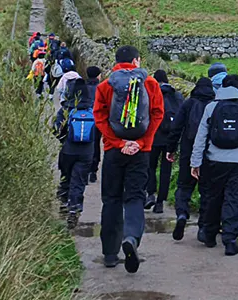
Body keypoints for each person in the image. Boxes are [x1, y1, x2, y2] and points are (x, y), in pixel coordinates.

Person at [93, 45, 165, 273]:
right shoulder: (150, 83)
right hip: (141, 152)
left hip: (114, 151)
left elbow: (99, 116)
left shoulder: (106, 85)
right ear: (136, 61)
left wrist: (118, 143)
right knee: (134, 197)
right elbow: (157, 114)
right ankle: (131, 237)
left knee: (111, 199)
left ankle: (110, 254)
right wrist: (141, 143)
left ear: (117, 62)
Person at [190, 74, 238, 256]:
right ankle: (229, 239)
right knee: (233, 198)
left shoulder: (212, 107)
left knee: (213, 196)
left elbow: (201, 137)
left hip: (214, 160)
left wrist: (195, 163)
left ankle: (209, 234)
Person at [170, 75, 215, 241]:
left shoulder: (188, 103)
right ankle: (203, 226)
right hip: (209, 154)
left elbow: (176, 127)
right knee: (206, 191)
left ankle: (182, 213)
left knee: (183, 186)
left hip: (188, 152)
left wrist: (170, 149)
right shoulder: (214, 105)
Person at [52, 64, 96, 228]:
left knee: (66, 176)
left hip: (68, 150)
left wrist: (64, 139)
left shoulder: (66, 109)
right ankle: (74, 208)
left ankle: (64, 203)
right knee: (79, 181)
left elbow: (56, 129)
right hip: (86, 152)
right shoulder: (91, 109)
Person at [145, 70, 182, 214]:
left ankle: (150, 193)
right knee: (166, 170)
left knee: (150, 166)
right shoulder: (177, 96)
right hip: (170, 139)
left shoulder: (152, 94)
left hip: (154, 136)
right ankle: (160, 202)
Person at [85, 66, 104, 184]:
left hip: (85, 119)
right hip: (97, 120)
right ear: (98, 76)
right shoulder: (101, 88)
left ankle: (85, 169)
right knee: (96, 144)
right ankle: (93, 170)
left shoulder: (83, 87)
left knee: (85, 143)